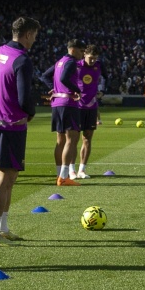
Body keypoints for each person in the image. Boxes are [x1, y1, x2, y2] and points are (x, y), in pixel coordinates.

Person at [0, 16, 41, 248]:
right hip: (12, 125)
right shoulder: (22, 59)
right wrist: (30, 112)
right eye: (34, 35)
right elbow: (24, 95)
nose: (35, 40)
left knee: (11, 176)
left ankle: (2, 227)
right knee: (4, 177)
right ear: (27, 34)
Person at [49, 38, 86, 187]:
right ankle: (64, 178)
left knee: (60, 141)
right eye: (82, 51)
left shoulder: (60, 62)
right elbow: (64, 78)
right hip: (68, 103)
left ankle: (59, 174)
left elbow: (45, 75)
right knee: (72, 139)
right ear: (74, 49)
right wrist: (76, 90)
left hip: (57, 104)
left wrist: (52, 88)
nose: (83, 55)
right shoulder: (71, 62)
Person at [73, 47, 104, 178]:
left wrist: (102, 91)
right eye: (90, 57)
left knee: (87, 138)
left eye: (95, 58)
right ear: (84, 54)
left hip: (91, 105)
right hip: (77, 106)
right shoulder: (76, 66)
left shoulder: (98, 66)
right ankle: (71, 170)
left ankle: (82, 170)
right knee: (73, 139)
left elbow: (102, 81)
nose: (92, 60)